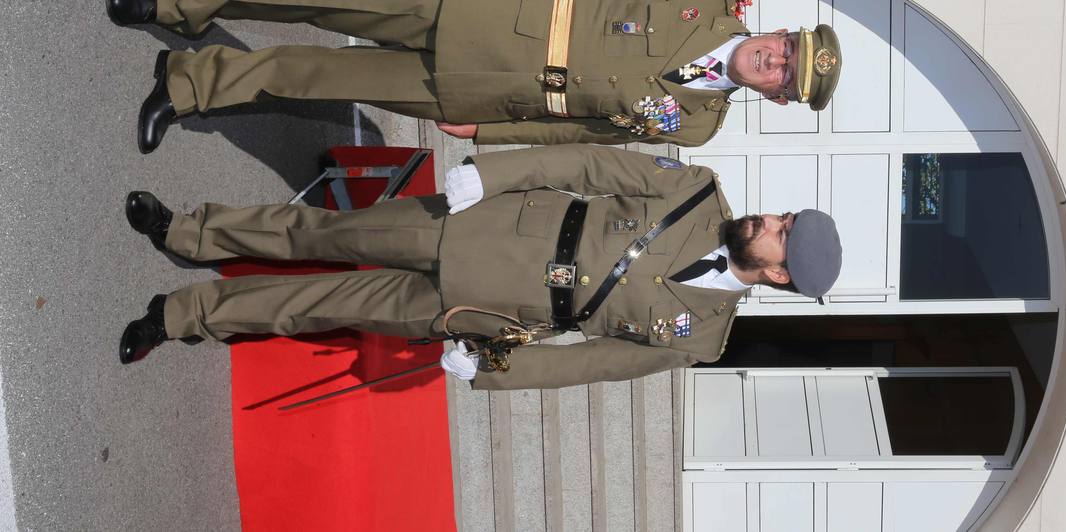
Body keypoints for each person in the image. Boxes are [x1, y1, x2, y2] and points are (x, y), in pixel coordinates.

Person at [118, 144, 843, 390]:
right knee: (329, 229)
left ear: (777, 276)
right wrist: (493, 176)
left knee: (321, 304)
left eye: (781, 234)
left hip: (485, 312)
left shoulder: (700, 340)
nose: (770, 220)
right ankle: (188, 229)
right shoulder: (697, 191)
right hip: (488, 222)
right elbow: (586, 163)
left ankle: (181, 315)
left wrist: (495, 370)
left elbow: (586, 365)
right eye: (783, 216)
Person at [106, 0, 843, 154]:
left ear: (777, 97)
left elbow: (593, 133)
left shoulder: (700, 125)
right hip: (491, 12)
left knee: (320, 78)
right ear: (779, 30)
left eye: (787, 75)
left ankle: (188, 83)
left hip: (493, 90)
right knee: (320, 0)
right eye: (788, 49)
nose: (777, 61)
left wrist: (490, 134)